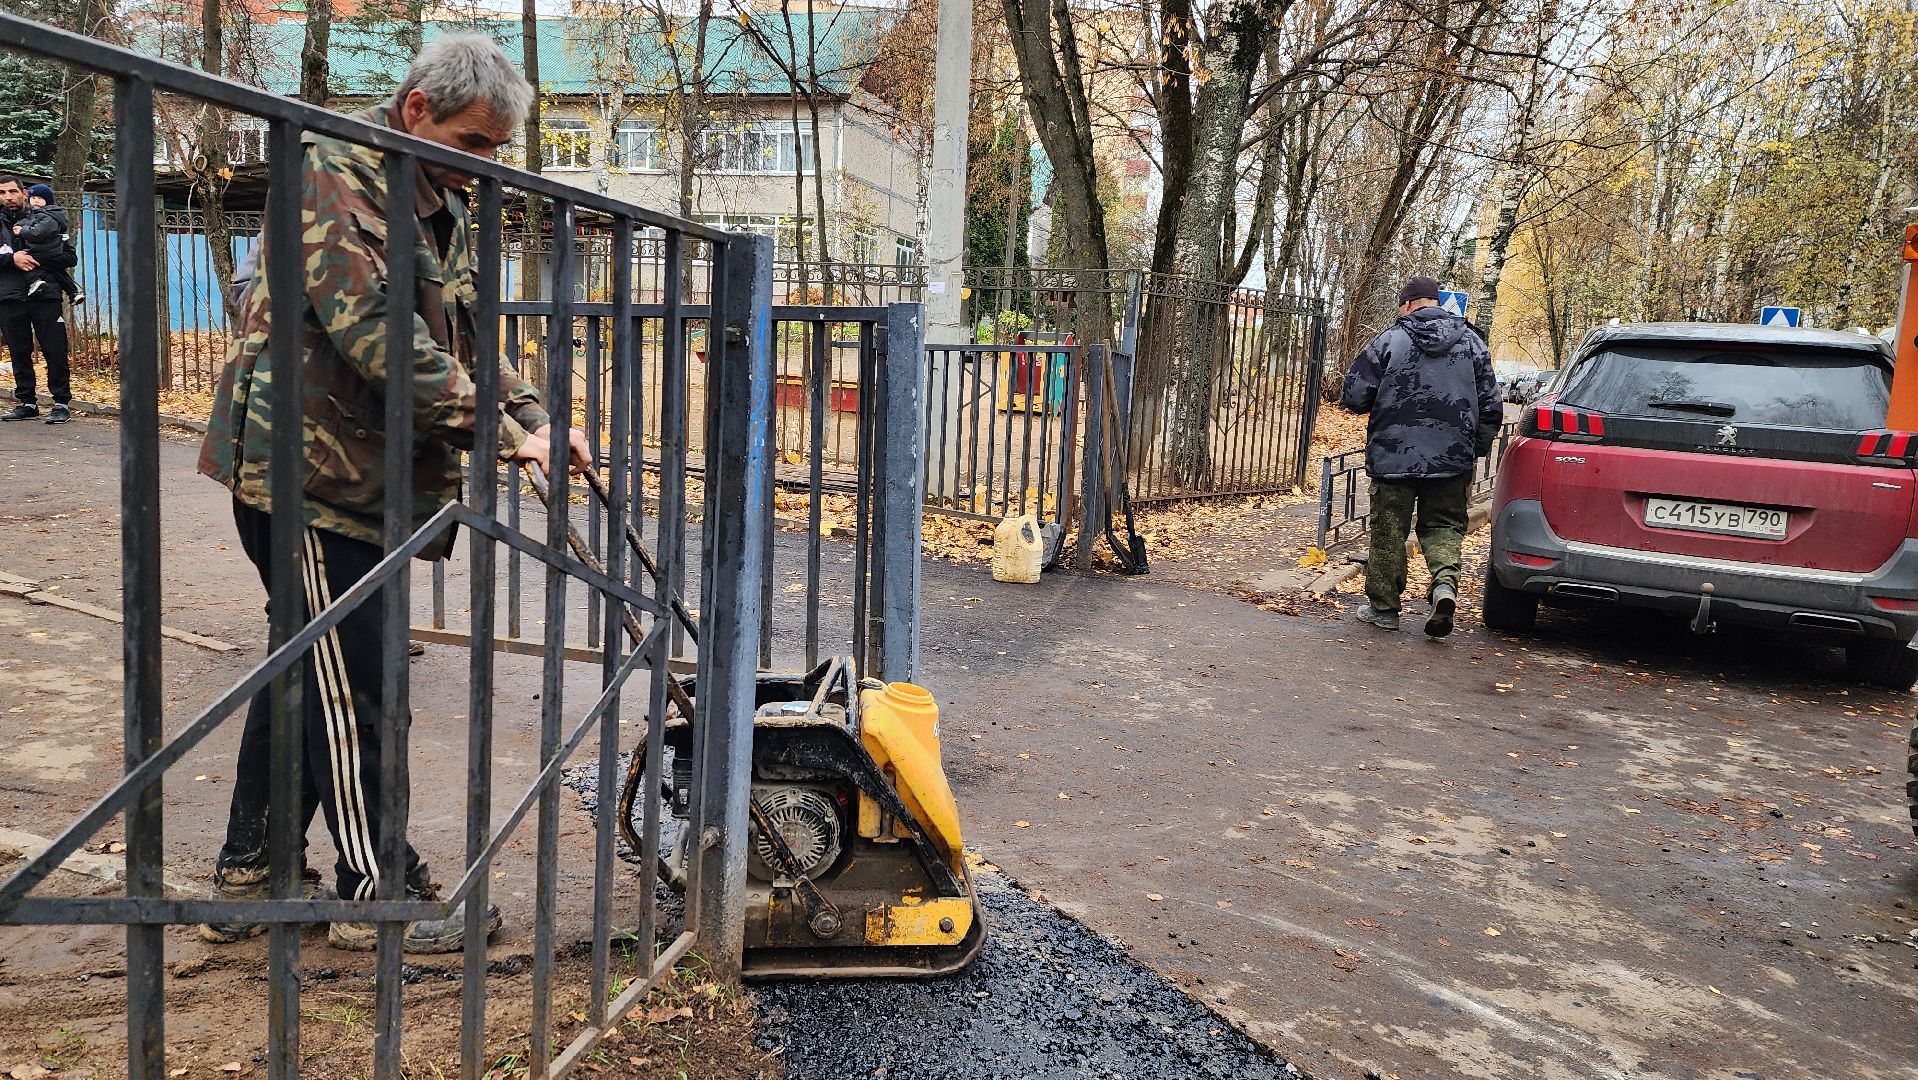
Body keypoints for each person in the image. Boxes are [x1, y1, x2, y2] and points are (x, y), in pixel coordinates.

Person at [195, 33, 591, 953]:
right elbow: (378, 335)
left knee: (307, 668)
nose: (483, 167)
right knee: (358, 690)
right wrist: (498, 432)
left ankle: (250, 873)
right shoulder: (334, 174)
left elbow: (458, 334)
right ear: (417, 109)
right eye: (473, 143)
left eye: (495, 150)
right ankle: (381, 896)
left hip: (363, 477)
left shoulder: (429, 194)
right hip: (307, 478)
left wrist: (531, 413)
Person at [1340, 275, 1502, 638]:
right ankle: (1444, 585)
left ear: (1410, 304)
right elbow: (1492, 405)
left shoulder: (1389, 340)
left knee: (1388, 530)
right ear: (1436, 301)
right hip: (1451, 459)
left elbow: (1353, 396)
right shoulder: (1472, 343)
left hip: (1393, 456)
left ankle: (1384, 610)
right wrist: (1475, 447)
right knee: (1443, 526)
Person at [0, 175, 78, 424]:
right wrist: (11, 260)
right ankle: (27, 402)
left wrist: (35, 259)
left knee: (54, 349)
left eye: (12, 191)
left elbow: (69, 257)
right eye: (2, 193)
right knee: (18, 351)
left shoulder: (46, 217)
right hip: (9, 296)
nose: (8, 197)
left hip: (46, 294)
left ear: (24, 191)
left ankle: (61, 402)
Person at [14, 184, 84, 305]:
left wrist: (21, 230)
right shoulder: (37, 213)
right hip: (52, 250)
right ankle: (73, 293)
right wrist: (19, 224)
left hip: (45, 249)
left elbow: (38, 233)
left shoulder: (48, 216)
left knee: (27, 261)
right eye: (33, 197)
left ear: (48, 200)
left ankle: (35, 281)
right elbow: (28, 221)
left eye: (40, 198)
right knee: (58, 271)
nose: (36, 200)